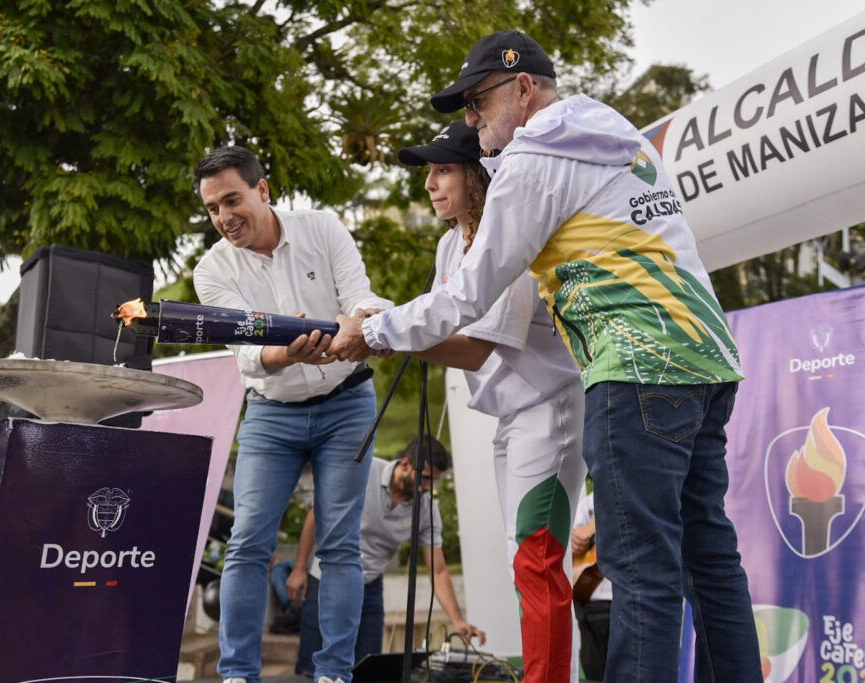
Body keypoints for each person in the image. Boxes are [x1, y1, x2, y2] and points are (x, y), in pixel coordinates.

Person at [329, 30, 762, 683]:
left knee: (640, 567)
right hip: (706, 358)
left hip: (635, 368)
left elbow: (470, 295)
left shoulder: (535, 157)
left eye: (478, 102)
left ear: (524, 87)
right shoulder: (620, 135)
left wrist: (377, 330)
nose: (472, 123)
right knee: (708, 556)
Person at [365, 121, 586, 681]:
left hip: (551, 406)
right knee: (526, 559)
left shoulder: (509, 234)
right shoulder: (448, 244)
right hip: (512, 415)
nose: (431, 185)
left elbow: (476, 351)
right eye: (429, 173)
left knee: (537, 560)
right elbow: (432, 322)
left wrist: (387, 334)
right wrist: (388, 328)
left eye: (444, 171)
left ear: (478, 176)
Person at [192, 145, 392, 683]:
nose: (223, 217)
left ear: (263, 189)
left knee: (340, 543)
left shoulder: (323, 228)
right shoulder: (210, 270)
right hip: (270, 414)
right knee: (248, 540)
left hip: (348, 402)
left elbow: (360, 295)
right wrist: (288, 351)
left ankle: (333, 673)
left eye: (232, 199)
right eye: (212, 208)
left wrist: (363, 322)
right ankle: (238, 674)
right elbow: (247, 354)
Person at [289, 438, 485, 677]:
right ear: (404, 464)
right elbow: (315, 515)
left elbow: (438, 570)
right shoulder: (365, 471)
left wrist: (457, 620)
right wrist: (299, 568)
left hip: (370, 585)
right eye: (425, 477)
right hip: (328, 578)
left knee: (368, 669)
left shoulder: (426, 509)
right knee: (311, 667)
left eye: (434, 481)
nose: (427, 486)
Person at [571, 479, 611, 682]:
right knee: (593, 670)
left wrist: (593, 527)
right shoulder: (586, 504)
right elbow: (573, 540)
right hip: (587, 600)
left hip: (618, 601)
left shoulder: (635, 494)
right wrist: (574, 541)